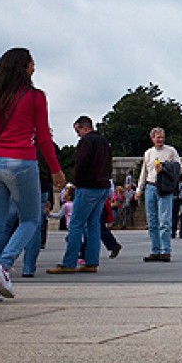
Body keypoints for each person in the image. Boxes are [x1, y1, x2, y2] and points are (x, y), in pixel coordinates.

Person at [0, 48, 67, 303]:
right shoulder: (35, 97)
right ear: (24, 67)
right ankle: (3, 266)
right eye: (32, 64)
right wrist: (56, 170)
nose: (34, 68)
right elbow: (44, 139)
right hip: (22, 160)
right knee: (31, 219)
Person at [46, 116, 113, 274]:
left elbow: (81, 163)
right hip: (103, 187)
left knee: (76, 224)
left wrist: (74, 183)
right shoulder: (104, 142)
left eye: (78, 131)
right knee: (94, 224)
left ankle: (69, 263)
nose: (77, 135)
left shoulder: (86, 142)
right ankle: (91, 262)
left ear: (83, 128)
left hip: (88, 186)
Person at [135, 127, 180, 262]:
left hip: (164, 188)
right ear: (152, 139)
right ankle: (155, 250)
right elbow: (144, 172)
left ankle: (165, 250)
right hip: (150, 187)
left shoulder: (171, 151)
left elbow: (178, 168)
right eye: (157, 137)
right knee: (152, 221)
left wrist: (164, 167)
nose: (160, 140)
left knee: (164, 221)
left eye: (162, 137)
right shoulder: (148, 153)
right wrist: (139, 189)